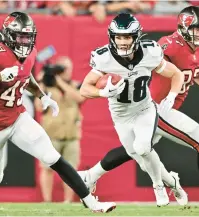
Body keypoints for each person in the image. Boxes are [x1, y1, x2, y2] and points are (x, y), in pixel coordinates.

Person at [78, 6, 199, 206]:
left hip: (166, 106)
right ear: (184, 28)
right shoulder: (168, 45)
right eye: (197, 29)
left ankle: (90, 176)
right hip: (157, 107)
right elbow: (157, 66)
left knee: (134, 150)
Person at [0, 11, 115, 213]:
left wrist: (42, 95)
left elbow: (26, 76)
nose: (25, 41)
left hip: (17, 118)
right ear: (9, 35)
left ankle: (91, 202)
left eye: (28, 37)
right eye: (21, 36)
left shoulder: (30, 53)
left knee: (52, 157)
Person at [80, 13, 187, 206]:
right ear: (112, 37)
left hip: (144, 109)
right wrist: (103, 93)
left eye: (127, 37)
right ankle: (173, 183)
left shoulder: (149, 53)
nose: (122, 42)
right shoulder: (104, 58)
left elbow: (176, 74)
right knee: (143, 161)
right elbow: (84, 88)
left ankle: (158, 187)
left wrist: (171, 96)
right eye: (118, 37)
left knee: (143, 148)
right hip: (120, 116)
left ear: (136, 37)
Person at [37, 57, 85, 203]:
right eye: (61, 69)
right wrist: (41, 83)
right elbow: (39, 107)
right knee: (47, 168)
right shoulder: (46, 87)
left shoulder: (76, 85)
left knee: (70, 171)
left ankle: (68, 201)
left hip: (71, 135)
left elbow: (80, 98)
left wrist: (60, 82)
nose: (65, 72)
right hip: (51, 134)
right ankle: (47, 201)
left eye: (67, 68)